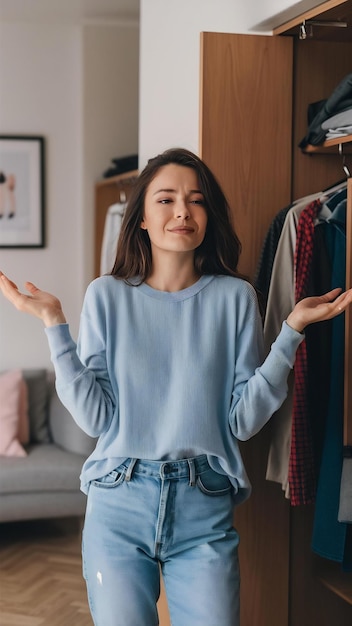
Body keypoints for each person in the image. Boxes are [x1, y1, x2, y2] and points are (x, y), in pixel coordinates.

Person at [1, 147, 352, 626]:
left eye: (197, 200)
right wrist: (53, 322)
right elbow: (96, 418)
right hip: (118, 497)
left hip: (202, 505)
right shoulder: (106, 296)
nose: (183, 210)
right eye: (166, 199)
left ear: (209, 215)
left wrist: (290, 332)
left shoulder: (235, 298)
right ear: (141, 216)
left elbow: (244, 421)